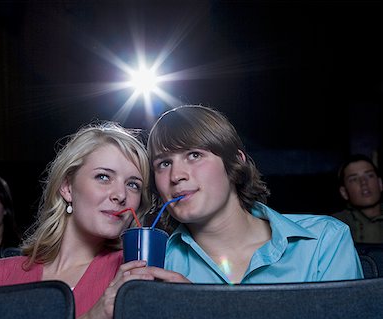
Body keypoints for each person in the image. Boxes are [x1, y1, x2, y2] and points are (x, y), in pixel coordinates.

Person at [0, 122, 156, 319]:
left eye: (133, 184)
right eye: (103, 177)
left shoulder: (133, 272)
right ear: (67, 187)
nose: (120, 195)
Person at [143, 104, 363, 284]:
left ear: (236, 163)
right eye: (163, 163)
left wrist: (200, 312)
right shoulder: (156, 265)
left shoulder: (323, 242)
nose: (176, 175)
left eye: (194, 155)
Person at [332, 154, 383, 244]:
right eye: (354, 179)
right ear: (344, 192)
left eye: (369, 176)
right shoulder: (335, 226)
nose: (364, 183)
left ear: (380, 183)